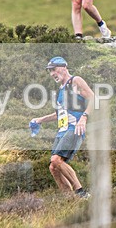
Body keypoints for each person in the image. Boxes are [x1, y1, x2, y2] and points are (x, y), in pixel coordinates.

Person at [29, 56, 95, 199]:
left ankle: (81, 192)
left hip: (75, 128)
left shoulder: (75, 81)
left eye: (54, 69)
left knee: (56, 160)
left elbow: (93, 98)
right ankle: (69, 199)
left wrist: (84, 118)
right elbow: (59, 114)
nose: (52, 73)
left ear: (64, 67)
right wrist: (39, 120)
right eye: (50, 71)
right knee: (53, 167)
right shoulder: (61, 90)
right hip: (62, 130)